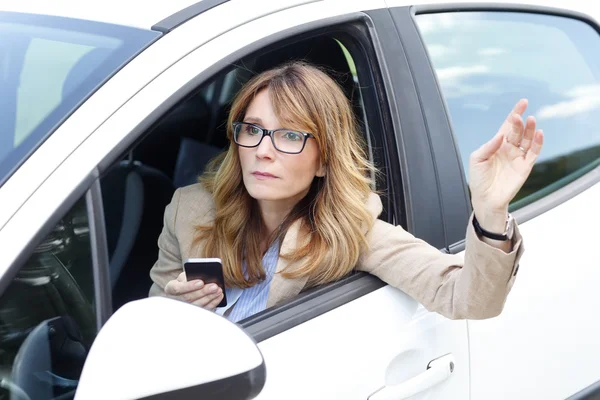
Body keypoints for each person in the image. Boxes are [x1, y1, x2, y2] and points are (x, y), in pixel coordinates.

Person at [148, 61, 544, 321]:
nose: (262, 151)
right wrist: (174, 307)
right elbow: (151, 325)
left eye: (288, 135)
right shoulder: (189, 210)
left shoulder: (353, 231)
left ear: (324, 160)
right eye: (252, 129)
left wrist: (491, 212)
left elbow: (469, 299)